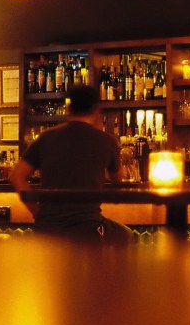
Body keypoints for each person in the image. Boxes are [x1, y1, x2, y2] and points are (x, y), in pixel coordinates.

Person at [10, 85, 133, 241]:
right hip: (87, 227)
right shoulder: (106, 141)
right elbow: (117, 180)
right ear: (96, 110)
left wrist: (37, 212)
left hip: (47, 228)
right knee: (126, 235)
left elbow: (16, 176)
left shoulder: (46, 137)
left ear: (69, 108)